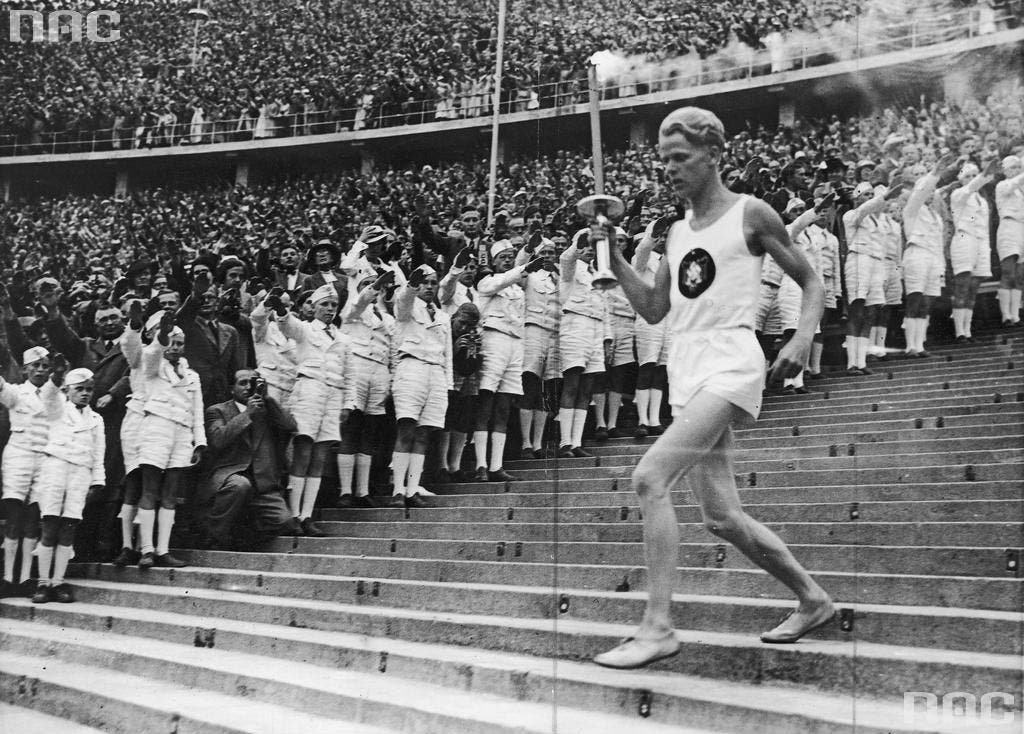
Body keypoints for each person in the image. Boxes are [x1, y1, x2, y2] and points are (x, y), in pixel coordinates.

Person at [594, 107, 833, 670]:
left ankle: (657, 627)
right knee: (721, 517)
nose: (670, 169)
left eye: (681, 158)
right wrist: (615, 253)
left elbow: (810, 279)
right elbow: (654, 310)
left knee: (651, 477)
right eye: (664, 160)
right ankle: (813, 599)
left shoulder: (752, 214)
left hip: (732, 360)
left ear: (714, 155)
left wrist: (800, 337)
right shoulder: (676, 232)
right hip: (686, 364)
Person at [198, 370, 301, 550]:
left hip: (263, 484)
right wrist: (247, 414)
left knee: (285, 523)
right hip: (230, 477)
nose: (248, 387)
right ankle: (213, 536)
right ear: (232, 388)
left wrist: (268, 398)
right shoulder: (217, 410)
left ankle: (241, 532)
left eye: (252, 383)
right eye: (243, 383)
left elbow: (291, 426)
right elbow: (218, 440)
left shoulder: (267, 410)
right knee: (240, 485)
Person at [32, 365, 105, 604]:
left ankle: (58, 581)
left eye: (89, 390)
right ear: (67, 389)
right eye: (79, 389)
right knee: (50, 525)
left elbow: (98, 453)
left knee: (69, 528)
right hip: (55, 471)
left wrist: (97, 481)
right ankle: (43, 583)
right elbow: (48, 395)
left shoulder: (96, 419)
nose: (85, 393)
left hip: (80, 475)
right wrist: (55, 377)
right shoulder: (57, 409)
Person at [0, 346, 52, 597]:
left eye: (44, 366)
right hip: (18, 458)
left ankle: (26, 578)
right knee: (13, 517)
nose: (40, 370)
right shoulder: (16, 392)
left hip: (45, 460)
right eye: (35, 366)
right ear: (24, 369)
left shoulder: (56, 394)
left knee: (33, 519)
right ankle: (8, 578)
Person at [995, 155, 1024, 327]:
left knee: (1020, 275)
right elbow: (1011, 185)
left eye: (1018, 167)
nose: (1017, 170)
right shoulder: (1002, 185)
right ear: (1005, 170)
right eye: (1013, 167)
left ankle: (1015, 315)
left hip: (1022, 229)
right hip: (1008, 228)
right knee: (1009, 272)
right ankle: (1005, 314)